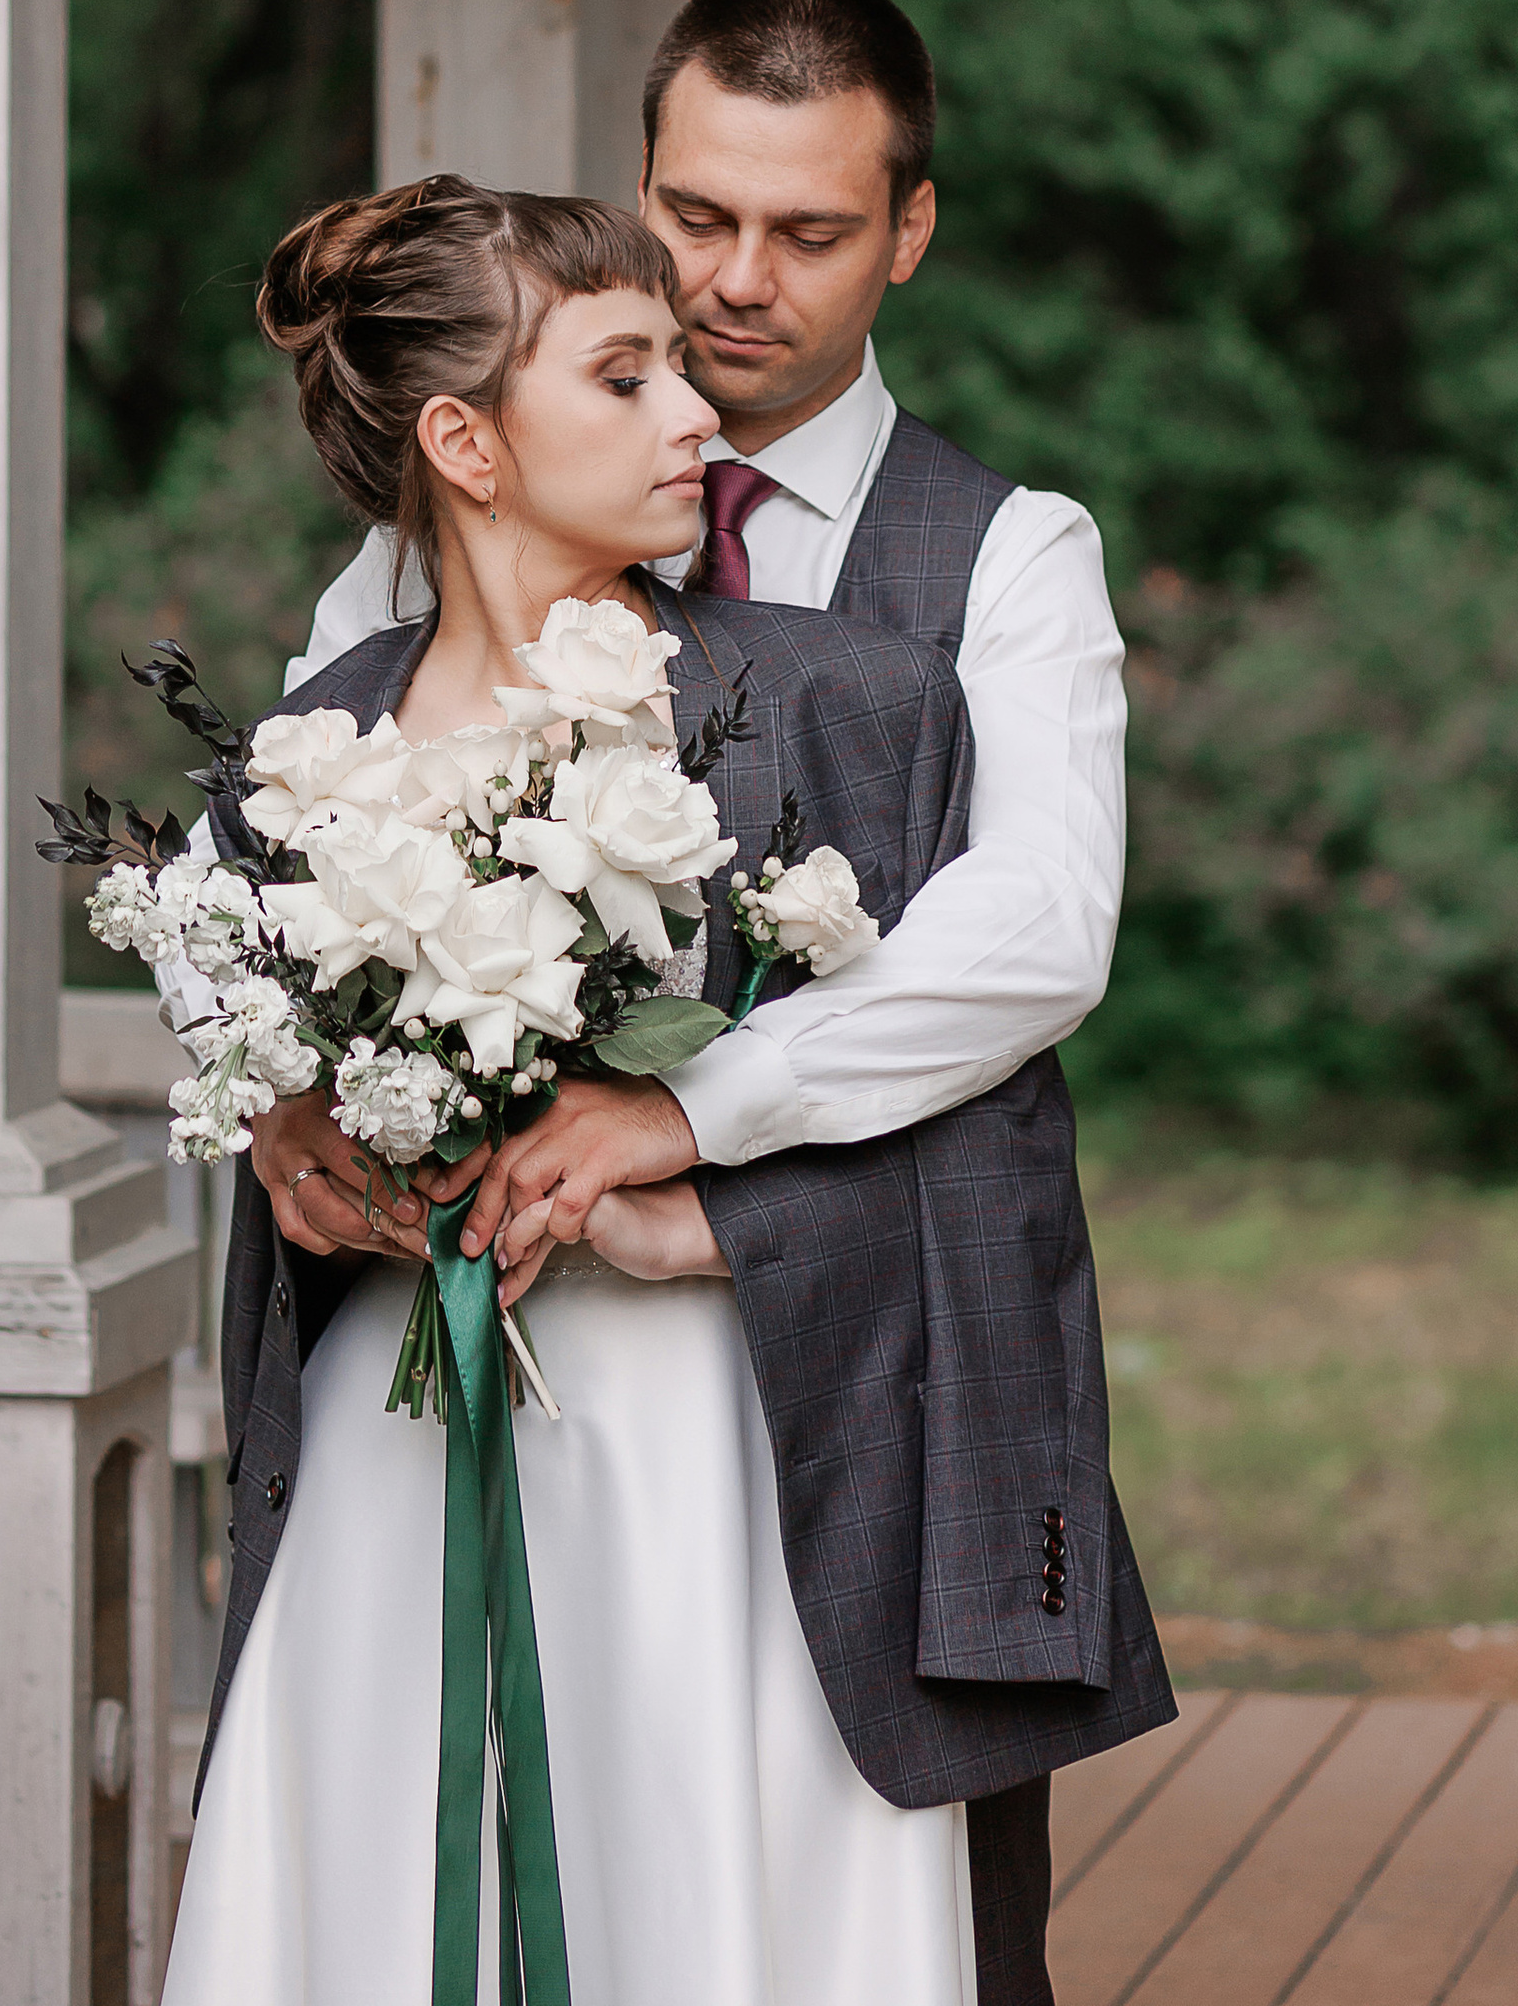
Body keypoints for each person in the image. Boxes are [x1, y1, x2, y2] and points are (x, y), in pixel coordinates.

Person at [164, 176, 1171, 2006]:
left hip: (742, 1466)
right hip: (398, 1468)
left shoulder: (852, 707)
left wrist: (702, 1191)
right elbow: (235, 1017)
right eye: (624, 376)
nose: (698, 406)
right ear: (465, 441)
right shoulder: (302, 768)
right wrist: (291, 1135)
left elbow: (981, 1111)